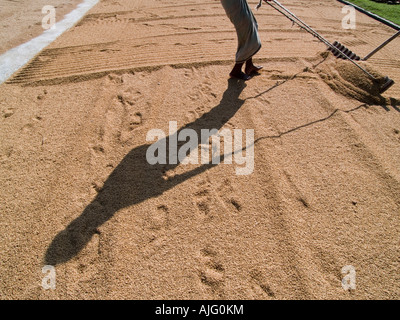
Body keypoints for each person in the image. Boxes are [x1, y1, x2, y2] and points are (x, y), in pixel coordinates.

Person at [221, 0, 267, 80]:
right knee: (247, 33)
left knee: (253, 25)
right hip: (233, 3)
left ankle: (249, 65)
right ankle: (236, 71)